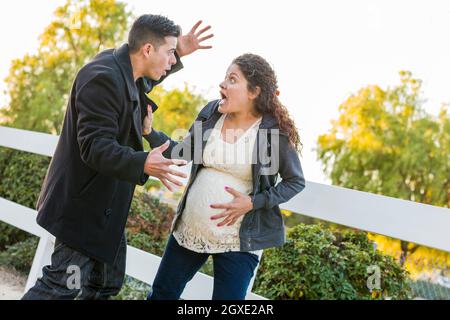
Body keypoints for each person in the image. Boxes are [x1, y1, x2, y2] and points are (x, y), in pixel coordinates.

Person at [22, 14, 213, 300]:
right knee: (61, 287)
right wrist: (144, 162)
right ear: (148, 49)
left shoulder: (128, 72)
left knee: (105, 284)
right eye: (170, 53)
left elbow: (146, 83)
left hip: (105, 210)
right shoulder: (102, 77)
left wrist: (180, 51)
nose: (173, 60)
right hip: (82, 210)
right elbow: (95, 147)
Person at [143, 53, 306, 300]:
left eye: (232, 79)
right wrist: (149, 132)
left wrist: (252, 202)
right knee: (161, 295)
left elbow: (295, 182)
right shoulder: (211, 113)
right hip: (190, 230)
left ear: (253, 92)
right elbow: (183, 152)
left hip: (238, 242)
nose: (222, 85)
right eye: (224, 78)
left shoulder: (272, 132)